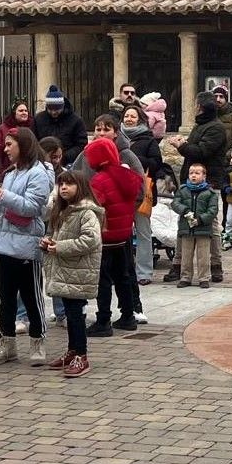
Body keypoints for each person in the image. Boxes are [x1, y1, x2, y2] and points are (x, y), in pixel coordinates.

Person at [0, 127, 52, 365]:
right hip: (5, 242)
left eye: (10, 144)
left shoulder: (38, 173)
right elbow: (0, 209)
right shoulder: (10, 173)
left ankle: (38, 342)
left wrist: (1, 194)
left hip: (27, 243)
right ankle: (7, 344)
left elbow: (31, 207)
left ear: (24, 145)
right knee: (6, 297)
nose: (6, 149)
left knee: (31, 296)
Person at [39, 170, 104, 378]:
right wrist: (47, 242)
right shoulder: (63, 210)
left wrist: (59, 246)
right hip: (65, 270)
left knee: (76, 315)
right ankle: (72, 350)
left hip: (78, 271)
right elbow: (54, 234)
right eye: (61, 184)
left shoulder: (86, 212)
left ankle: (81, 355)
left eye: (69, 184)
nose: (64, 188)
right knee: (70, 311)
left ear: (81, 187)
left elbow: (90, 240)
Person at [84, 136, 143, 336]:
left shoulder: (99, 180)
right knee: (123, 276)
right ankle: (128, 315)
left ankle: (103, 320)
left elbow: (93, 208)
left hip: (106, 236)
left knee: (103, 279)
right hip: (123, 235)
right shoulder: (125, 175)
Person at [173, 92, 229, 282]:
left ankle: (215, 265)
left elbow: (202, 152)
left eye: (196, 104)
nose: (194, 107)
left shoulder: (216, 128)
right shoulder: (201, 125)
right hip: (191, 182)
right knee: (184, 221)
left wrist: (181, 146)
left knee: (211, 224)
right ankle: (179, 265)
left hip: (209, 182)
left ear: (201, 107)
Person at [120, 104, 164, 284]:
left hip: (141, 192)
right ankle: (122, 271)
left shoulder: (149, 140)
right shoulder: (116, 139)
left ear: (140, 119)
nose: (129, 119)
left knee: (143, 232)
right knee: (121, 233)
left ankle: (144, 273)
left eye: (133, 116)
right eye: (127, 116)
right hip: (120, 193)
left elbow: (156, 164)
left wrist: (134, 159)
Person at [172, 163, 220, 288]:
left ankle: (204, 278)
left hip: (203, 228)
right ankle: (185, 277)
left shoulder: (210, 193)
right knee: (186, 255)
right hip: (186, 228)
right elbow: (175, 203)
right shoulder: (183, 190)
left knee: (203, 255)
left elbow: (213, 210)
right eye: (191, 173)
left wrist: (201, 219)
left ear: (204, 176)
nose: (193, 175)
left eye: (197, 173)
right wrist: (185, 210)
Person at [33, 85, 89, 165]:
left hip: (68, 163)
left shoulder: (76, 121)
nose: (53, 112)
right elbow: (34, 141)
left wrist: (63, 157)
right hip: (43, 162)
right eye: (50, 109)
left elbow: (81, 145)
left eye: (57, 109)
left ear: (63, 106)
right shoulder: (39, 119)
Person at [0, 100, 32, 174]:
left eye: (26, 111)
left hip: (28, 167)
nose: (24, 113)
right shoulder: (2, 128)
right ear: (14, 113)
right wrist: (8, 144)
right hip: (8, 168)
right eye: (21, 111)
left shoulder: (32, 126)